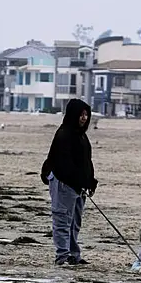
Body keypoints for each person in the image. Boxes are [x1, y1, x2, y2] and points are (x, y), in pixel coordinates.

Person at [41, 98, 98, 266]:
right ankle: (63, 256)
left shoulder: (82, 136)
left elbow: (86, 162)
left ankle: (74, 255)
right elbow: (64, 165)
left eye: (86, 115)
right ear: (73, 115)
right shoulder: (64, 134)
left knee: (74, 222)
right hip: (63, 184)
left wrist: (90, 182)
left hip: (79, 187)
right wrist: (80, 181)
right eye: (81, 114)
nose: (84, 118)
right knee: (62, 221)